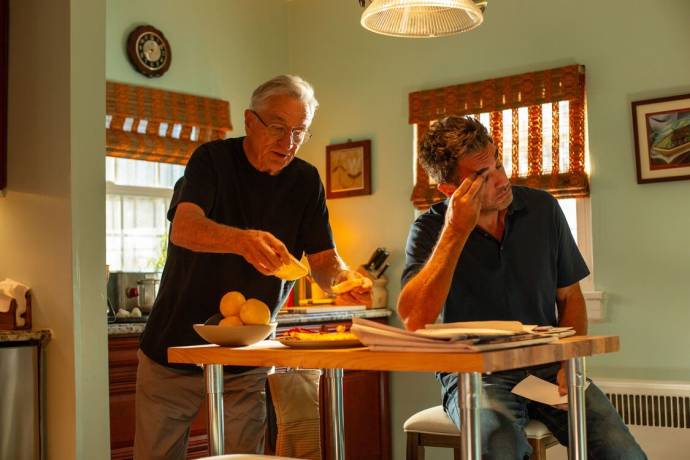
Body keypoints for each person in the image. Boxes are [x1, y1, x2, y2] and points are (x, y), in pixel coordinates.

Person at [134, 75, 371, 460]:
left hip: (247, 356)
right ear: (249, 121)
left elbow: (324, 262)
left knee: (246, 457)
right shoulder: (211, 160)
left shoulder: (306, 181)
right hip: (173, 348)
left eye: (299, 131)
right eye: (278, 127)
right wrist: (241, 241)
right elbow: (184, 228)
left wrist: (344, 280)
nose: (288, 141)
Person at [397, 116, 646, 459]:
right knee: (500, 449)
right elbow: (413, 318)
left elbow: (570, 296)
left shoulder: (543, 209)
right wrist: (455, 231)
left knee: (622, 452)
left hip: (547, 363)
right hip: (476, 374)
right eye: (483, 177)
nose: (501, 180)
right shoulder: (430, 229)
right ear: (450, 191)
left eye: (498, 163)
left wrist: (568, 360)